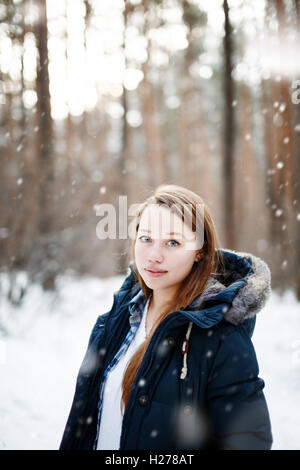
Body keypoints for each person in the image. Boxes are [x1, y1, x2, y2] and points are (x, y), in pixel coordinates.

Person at [59, 184, 273, 450]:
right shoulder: (116, 318)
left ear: (200, 252)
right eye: (146, 239)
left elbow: (249, 441)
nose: (154, 256)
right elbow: (83, 424)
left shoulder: (221, 338)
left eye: (173, 242)